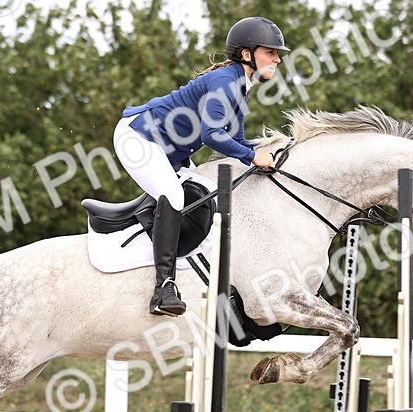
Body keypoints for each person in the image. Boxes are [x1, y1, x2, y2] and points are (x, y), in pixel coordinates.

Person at [114, 17, 288, 316]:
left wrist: (270, 150)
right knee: (175, 195)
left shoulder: (240, 86)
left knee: (204, 193)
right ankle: (163, 288)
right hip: (139, 137)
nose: (277, 58)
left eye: (277, 53)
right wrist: (251, 156)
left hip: (168, 150)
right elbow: (212, 135)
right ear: (247, 54)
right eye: (270, 51)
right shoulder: (225, 81)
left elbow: (237, 139)